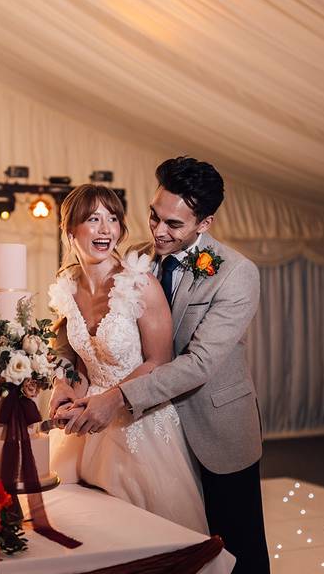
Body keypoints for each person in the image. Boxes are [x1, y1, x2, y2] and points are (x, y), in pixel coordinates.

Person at [54, 157, 272, 574]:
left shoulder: (236, 274)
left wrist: (116, 398)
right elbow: (76, 335)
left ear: (205, 223)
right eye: (154, 215)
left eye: (174, 223)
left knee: (242, 559)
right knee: (164, 552)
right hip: (151, 436)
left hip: (213, 429)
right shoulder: (135, 256)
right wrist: (68, 376)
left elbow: (195, 364)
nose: (158, 230)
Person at [47, 183, 208, 534]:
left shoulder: (140, 284)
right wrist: (65, 389)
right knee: (81, 528)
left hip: (140, 422)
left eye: (113, 219)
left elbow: (158, 363)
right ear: (70, 229)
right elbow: (80, 363)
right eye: (93, 219)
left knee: (145, 536)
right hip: (88, 425)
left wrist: (112, 400)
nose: (106, 229)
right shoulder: (67, 289)